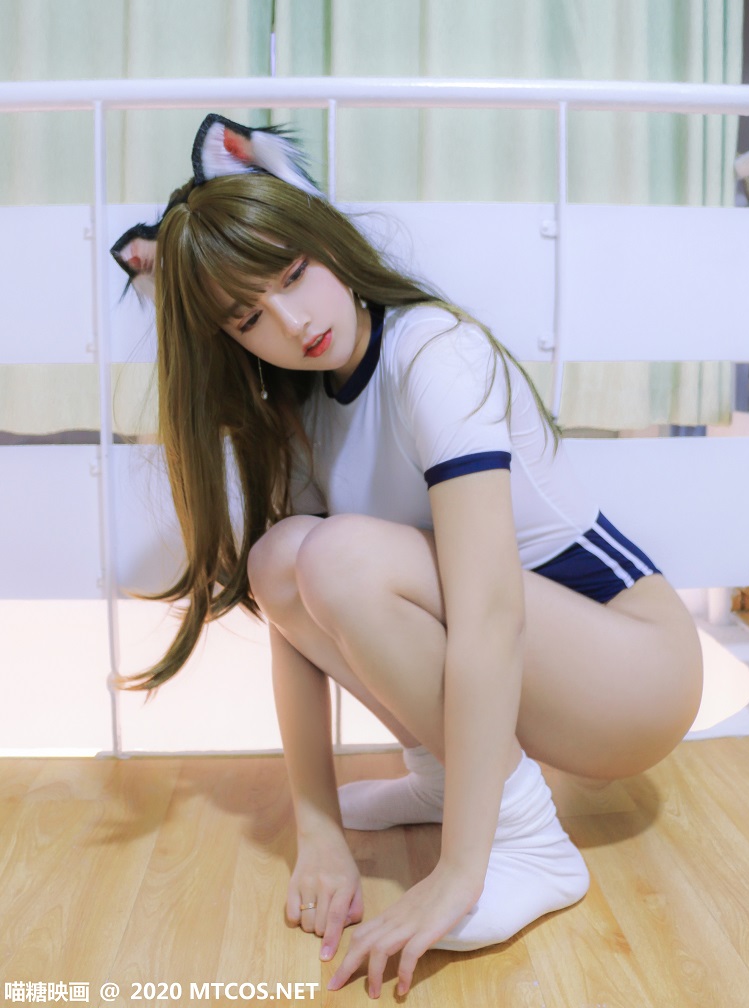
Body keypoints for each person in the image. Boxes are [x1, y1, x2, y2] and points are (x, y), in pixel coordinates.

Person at [111, 113, 704, 998]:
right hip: (541, 672)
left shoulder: (433, 351)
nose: (292, 321)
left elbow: (490, 613)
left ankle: (524, 841)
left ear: (328, 242)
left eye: (294, 274)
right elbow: (294, 629)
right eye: (249, 316)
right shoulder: (307, 410)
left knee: (341, 559)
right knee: (280, 560)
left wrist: (461, 871)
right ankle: (445, 775)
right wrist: (318, 832)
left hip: (635, 671)